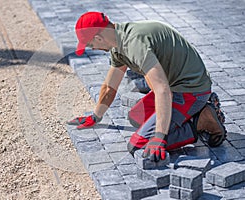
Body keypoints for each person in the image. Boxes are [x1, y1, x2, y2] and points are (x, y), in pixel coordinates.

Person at [67, 11, 226, 162]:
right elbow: (110, 87)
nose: (93, 48)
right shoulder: (118, 43)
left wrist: (159, 137)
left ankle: (202, 120)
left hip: (191, 89)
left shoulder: (134, 44)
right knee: (137, 117)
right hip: (174, 86)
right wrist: (95, 116)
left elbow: (162, 90)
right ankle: (200, 110)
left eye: (90, 44)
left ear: (98, 38)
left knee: (139, 145)